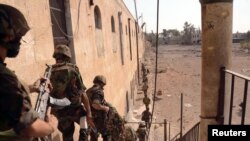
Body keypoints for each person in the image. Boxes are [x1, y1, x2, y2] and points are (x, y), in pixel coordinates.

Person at [0, 4, 58, 141]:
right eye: (17, 35)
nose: (18, 41)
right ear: (7, 36)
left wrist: (32, 87)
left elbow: (5, 98)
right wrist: (51, 126)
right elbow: (30, 128)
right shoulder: (5, 77)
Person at [49, 44, 94, 141]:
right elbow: (82, 92)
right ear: (67, 57)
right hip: (75, 109)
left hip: (59, 114)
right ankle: (83, 135)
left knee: (68, 135)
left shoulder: (49, 71)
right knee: (86, 120)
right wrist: (89, 113)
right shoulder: (73, 69)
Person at [86, 75, 112, 141]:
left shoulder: (88, 90)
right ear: (101, 83)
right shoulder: (98, 91)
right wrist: (105, 108)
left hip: (90, 117)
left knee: (94, 136)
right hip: (98, 118)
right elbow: (95, 104)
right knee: (107, 134)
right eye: (103, 84)